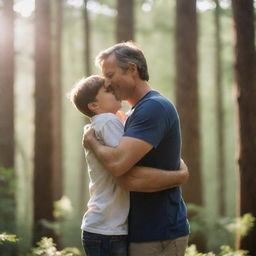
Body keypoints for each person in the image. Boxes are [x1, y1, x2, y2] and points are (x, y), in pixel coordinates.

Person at [83, 41, 190, 256]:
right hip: (142, 232)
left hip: (159, 233)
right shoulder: (134, 113)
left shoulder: (153, 108)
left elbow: (120, 169)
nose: (108, 83)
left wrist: (92, 142)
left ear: (132, 69)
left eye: (110, 75)